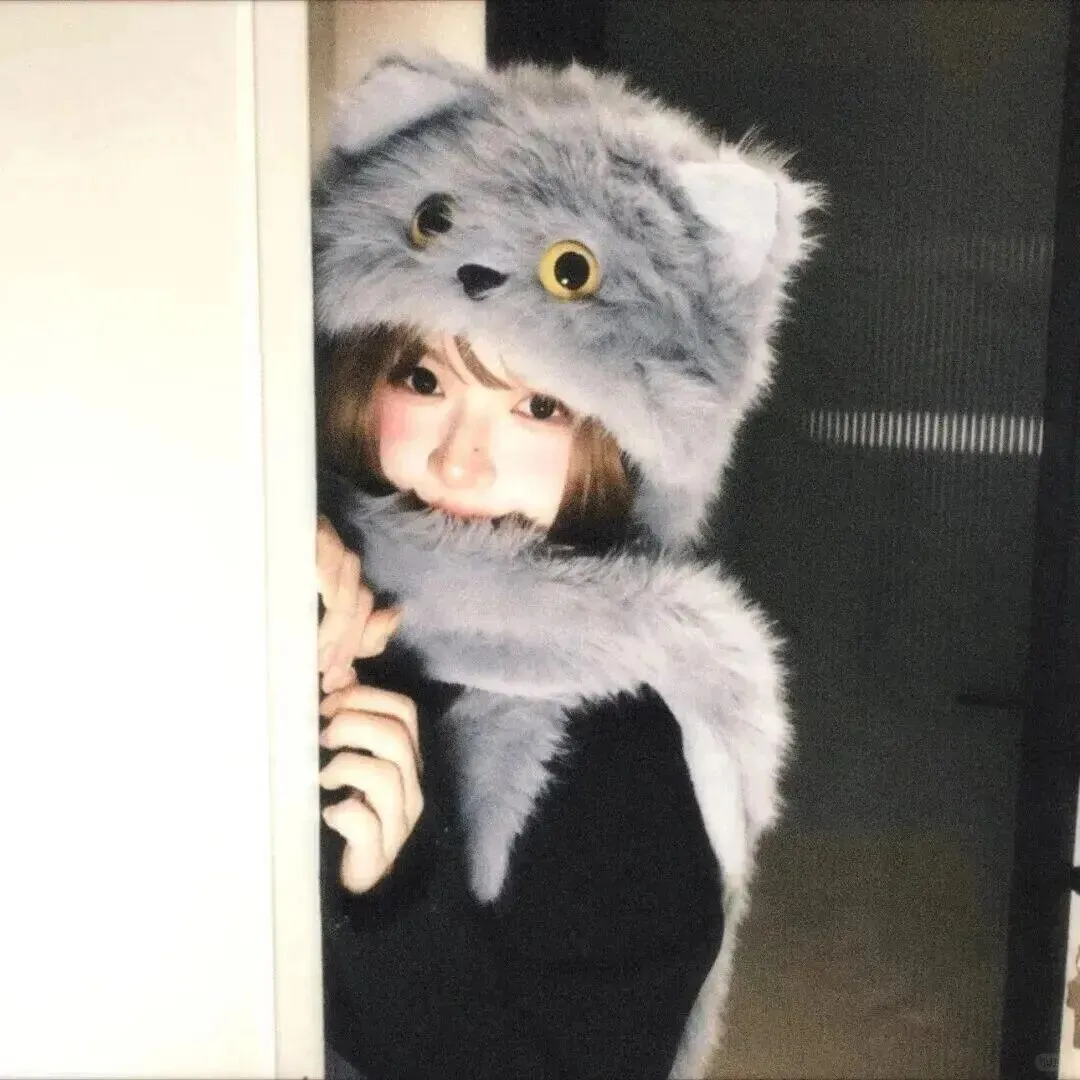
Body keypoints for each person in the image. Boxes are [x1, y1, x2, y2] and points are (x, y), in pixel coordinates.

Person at [311, 54, 821, 1080]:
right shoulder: (291, 578)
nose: (462, 461)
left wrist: (397, 894)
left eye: (537, 407)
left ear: (623, 449)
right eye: (424, 379)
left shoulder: (627, 738)